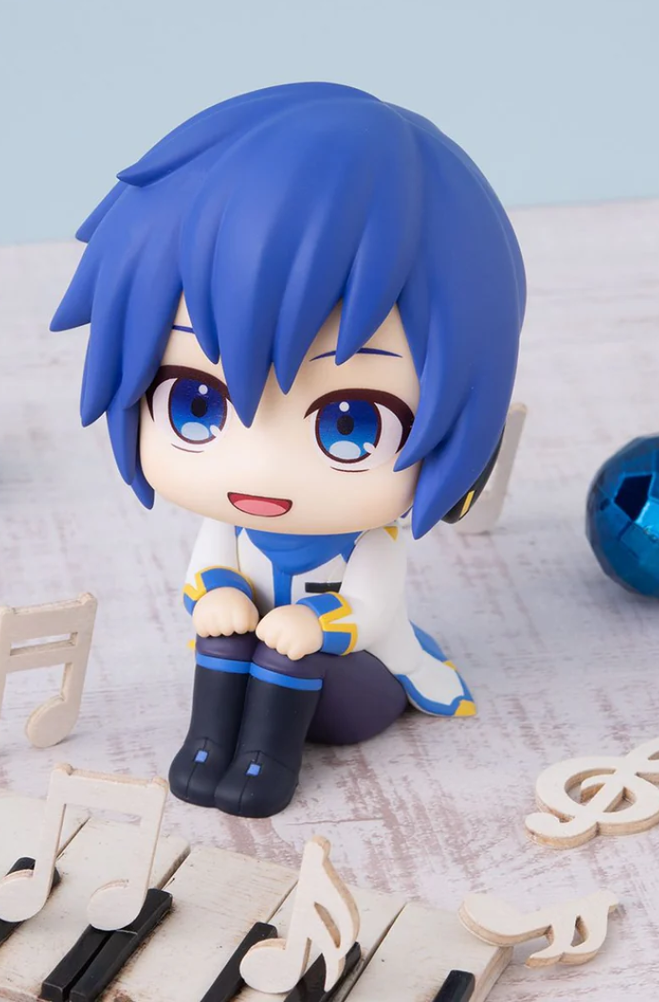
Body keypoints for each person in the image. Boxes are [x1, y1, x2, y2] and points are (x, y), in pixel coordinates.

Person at [51, 82, 526, 817]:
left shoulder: (371, 542)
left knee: (278, 648)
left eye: (349, 424)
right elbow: (207, 572)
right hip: (254, 665)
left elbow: (371, 610)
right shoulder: (231, 525)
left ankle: (266, 765)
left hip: (354, 686)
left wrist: (313, 625)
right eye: (197, 403)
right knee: (228, 640)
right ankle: (206, 749)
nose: (260, 467)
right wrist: (217, 595)